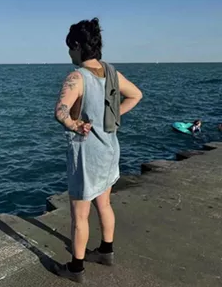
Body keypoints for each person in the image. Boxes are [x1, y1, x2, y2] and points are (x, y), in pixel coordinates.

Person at [53, 18, 142, 283]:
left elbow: (60, 112)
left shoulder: (77, 77)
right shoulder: (112, 72)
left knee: (79, 216)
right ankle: (106, 251)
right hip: (110, 151)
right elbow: (136, 95)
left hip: (87, 156)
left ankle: (76, 268)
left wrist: (74, 124)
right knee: (104, 204)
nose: (69, 53)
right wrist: (112, 117)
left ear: (78, 46)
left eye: (70, 48)